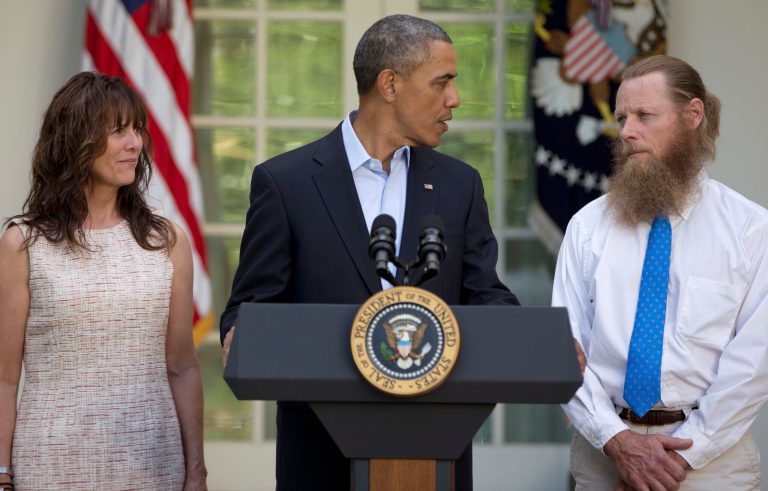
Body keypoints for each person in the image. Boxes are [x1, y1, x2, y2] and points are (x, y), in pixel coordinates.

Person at [220, 14, 519, 491]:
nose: (454, 99)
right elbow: (249, 309)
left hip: (434, 451)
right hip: (319, 458)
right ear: (390, 84)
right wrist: (239, 333)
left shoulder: (460, 185)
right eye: (441, 82)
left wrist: (531, 338)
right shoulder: (286, 183)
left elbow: (486, 294)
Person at [554, 54, 768, 490]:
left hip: (713, 462)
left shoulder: (751, 230)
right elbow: (563, 349)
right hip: (603, 454)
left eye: (645, 116)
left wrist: (677, 456)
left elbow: (753, 365)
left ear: (693, 115)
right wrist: (617, 441)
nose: (626, 132)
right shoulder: (586, 227)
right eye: (622, 117)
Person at [0, 72, 207, 490]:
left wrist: (196, 471)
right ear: (75, 141)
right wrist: (1, 474)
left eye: (137, 130)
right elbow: (4, 376)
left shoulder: (165, 242)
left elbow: (182, 367)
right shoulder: (24, 243)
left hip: (152, 465)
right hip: (50, 468)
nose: (135, 144)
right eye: (117, 131)